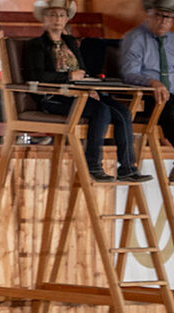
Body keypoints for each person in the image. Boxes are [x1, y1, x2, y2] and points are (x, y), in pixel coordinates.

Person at [24, 0, 151, 182]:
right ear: (44, 18)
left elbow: (82, 71)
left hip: (80, 94)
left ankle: (128, 168)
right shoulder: (36, 44)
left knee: (122, 111)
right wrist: (68, 77)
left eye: (61, 15)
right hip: (55, 97)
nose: (58, 19)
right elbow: (38, 75)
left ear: (67, 19)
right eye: (53, 14)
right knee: (101, 110)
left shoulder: (70, 42)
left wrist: (89, 87)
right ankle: (93, 165)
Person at [120, 0, 174, 147]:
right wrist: (152, 82)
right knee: (170, 109)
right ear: (148, 15)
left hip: (171, 94)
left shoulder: (172, 40)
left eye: (168, 17)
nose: (163, 21)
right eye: (158, 15)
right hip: (149, 95)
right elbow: (129, 74)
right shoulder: (135, 39)